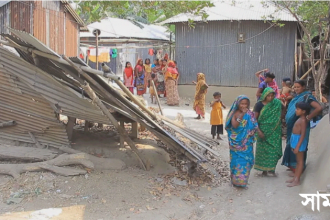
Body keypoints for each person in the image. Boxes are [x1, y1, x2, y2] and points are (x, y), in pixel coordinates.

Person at [281, 80, 322, 174]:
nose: (296, 89)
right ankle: (292, 166)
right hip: (293, 126)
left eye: (298, 87)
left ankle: (298, 168)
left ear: (303, 87)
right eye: (294, 87)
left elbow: (319, 108)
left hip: (301, 126)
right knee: (291, 144)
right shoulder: (297, 97)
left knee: (299, 146)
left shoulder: (307, 97)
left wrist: (308, 117)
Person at [225, 95, 261, 188]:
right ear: (238, 104)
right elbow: (235, 125)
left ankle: (243, 182)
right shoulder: (234, 113)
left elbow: (254, 125)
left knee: (246, 161)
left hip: (247, 143)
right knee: (237, 161)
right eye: (242, 103)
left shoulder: (250, 114)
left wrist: (255, 132)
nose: (244, 106)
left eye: (246, 104)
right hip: (236, 143)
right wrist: (241, 115)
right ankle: (236, 181)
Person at [253, 87, 282, 176]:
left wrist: (279, 118)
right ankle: (264, 170)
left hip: (274, 131)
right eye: (268, 95)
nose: (270, 97)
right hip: (262, 131)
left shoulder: (276, 103)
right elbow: (254, 119)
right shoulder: (259, 105)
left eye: (272, 95)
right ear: (264, 95)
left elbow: (283, 108)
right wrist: (259, 131)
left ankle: (271, 169)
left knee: (274, 149)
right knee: (263, 151)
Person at [286, 102, 311, 187]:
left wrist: (297, 146)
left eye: (298, 109)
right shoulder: (300, 118)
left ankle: (297, 180)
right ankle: (295, 177)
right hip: (296, 139)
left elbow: (303, 134)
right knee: (298, 161)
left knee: (300, 162)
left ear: (303, 111)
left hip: (299, 141)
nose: (296, 111)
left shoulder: (303, 120)